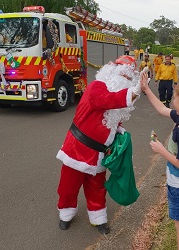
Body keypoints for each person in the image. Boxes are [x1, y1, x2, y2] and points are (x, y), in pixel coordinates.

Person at [56, 55, 141, 234]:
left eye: (128, 79)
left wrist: (119, 131)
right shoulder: (97, 87)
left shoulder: (118, 99)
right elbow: (104, 100)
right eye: (123, 76)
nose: (125, 81)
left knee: (97, 187)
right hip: (77, 149)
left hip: (100, 153)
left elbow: (111, 120)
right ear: (113, 71)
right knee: (68, 186)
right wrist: (133, 92)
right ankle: (66, 213)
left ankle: (98, 217)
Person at [141, 76, 179, 250]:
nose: (172, 101)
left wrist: (161, 150)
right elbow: (162, 108)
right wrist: (146, 90)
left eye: (175, 98)